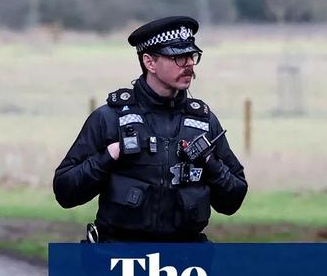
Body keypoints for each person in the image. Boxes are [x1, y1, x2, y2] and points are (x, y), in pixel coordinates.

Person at [53, 16, 247, 242]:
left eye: (192, 56)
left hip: (183, 265)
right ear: (149, 62)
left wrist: (211, 163)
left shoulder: (204, 123)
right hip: (119, 261)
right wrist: (108, 156)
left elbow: (233, 201)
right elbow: (65, 192)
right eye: (178, 57)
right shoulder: (110, 118)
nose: (189, 64)